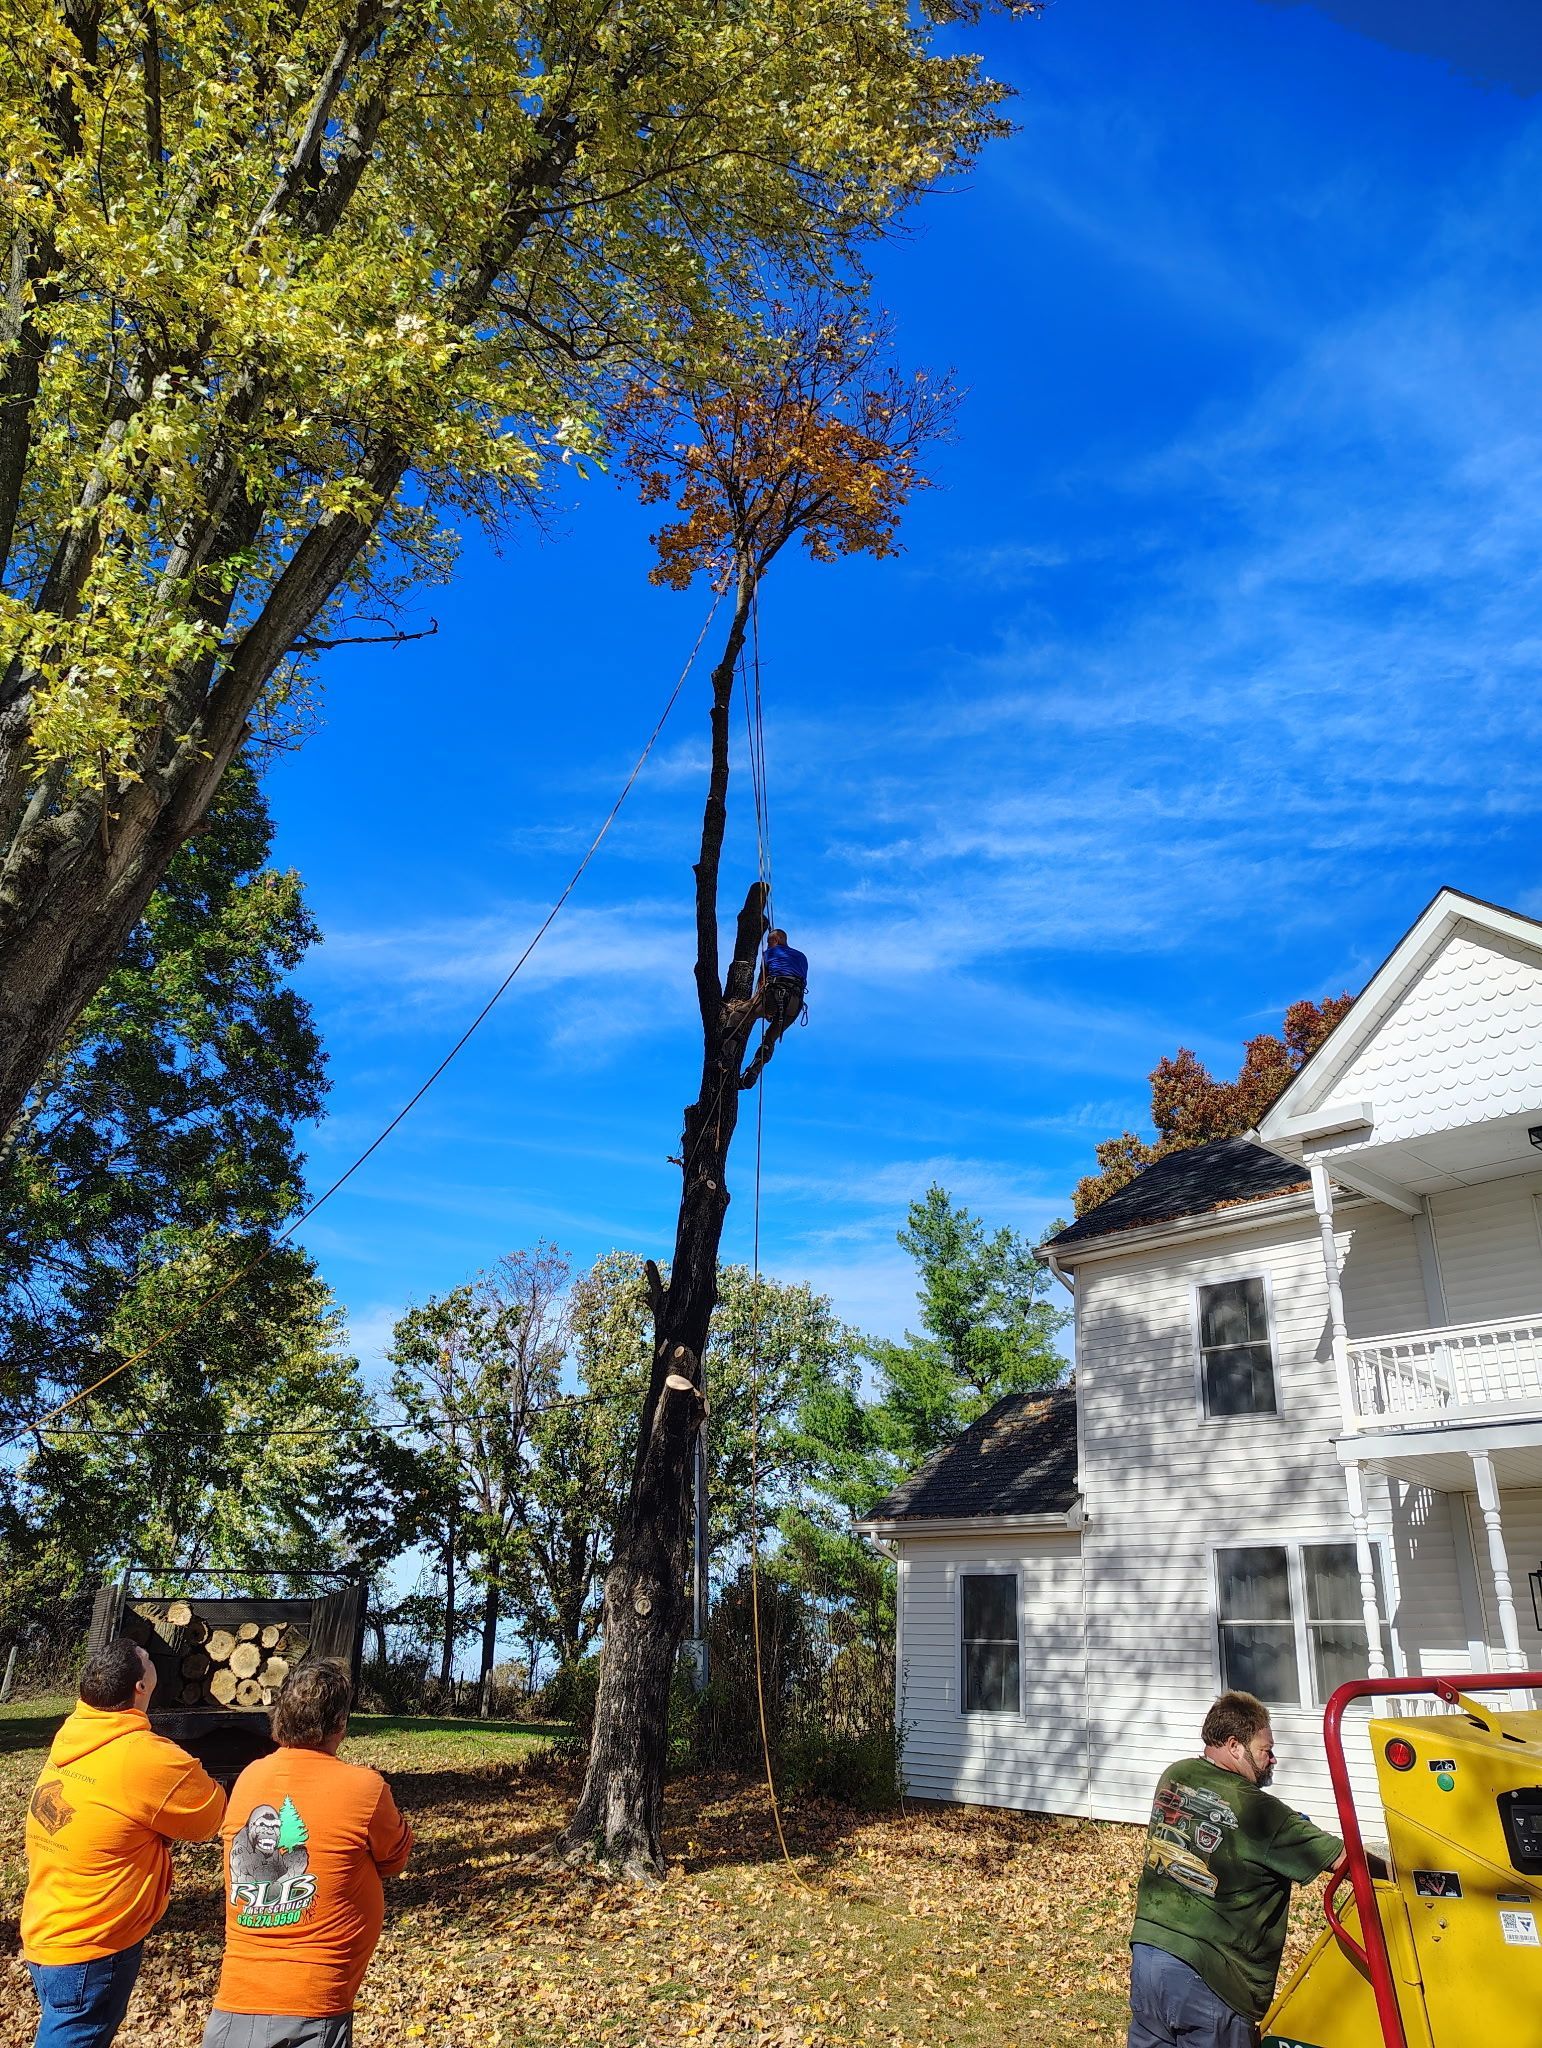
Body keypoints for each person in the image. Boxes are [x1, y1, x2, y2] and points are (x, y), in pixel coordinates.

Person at [22, 1636, 226, 2048]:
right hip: (93, 1946)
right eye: (147, 1658)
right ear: (140, 1686)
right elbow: (211, 1819)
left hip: (47, 1925)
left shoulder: (75, 1734)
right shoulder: (148, 1757)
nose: (152, 1657)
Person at [204, 1658, 412, 2048]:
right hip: (311, 2007)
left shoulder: (249, 1778)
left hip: (235, 2001)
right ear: (340, 1725)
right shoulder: (365, 1788)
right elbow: (395, 1858)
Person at [1128, 1690, 1347, 2048]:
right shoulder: (1261, 1812)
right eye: (1266, 1750)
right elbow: (1344, 1861)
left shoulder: (1176, 1774)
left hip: (1150, 1957)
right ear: (1234, 1746)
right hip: (1212, 1977)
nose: (1273, 1759)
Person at [740, 927, 808, 1088]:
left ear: (776, 940)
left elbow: (762, 981)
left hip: (774, 994)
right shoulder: (802, 957)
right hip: (794, 1003)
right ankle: (755, 1070)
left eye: (769, 941)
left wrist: (758, 1006)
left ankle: (724, 1057)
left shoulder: (769, 953)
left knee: (737, 1016)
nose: (768, 944)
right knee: (770, 1037)